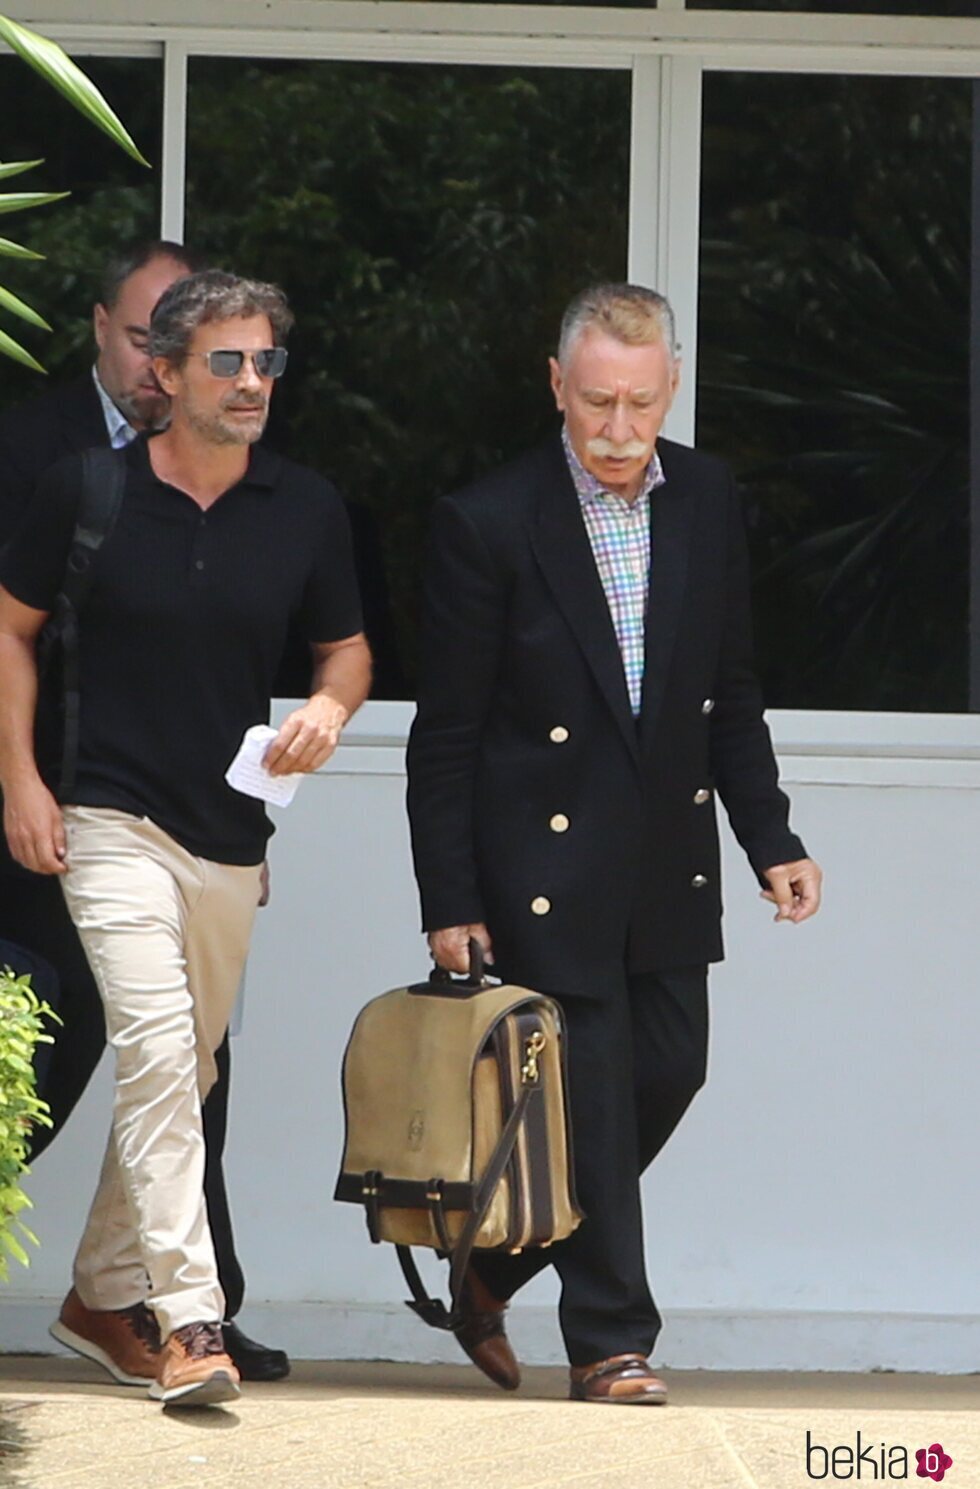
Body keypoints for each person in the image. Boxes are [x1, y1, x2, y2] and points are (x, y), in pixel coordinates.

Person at [406, 282, 822, 1406]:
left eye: (639, 404)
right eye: (596, 402)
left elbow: (726, 695)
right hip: (538, 870)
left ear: (669, 387)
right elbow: (442, 738)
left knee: (668, 1068)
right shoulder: (486, 520)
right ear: (556, 386)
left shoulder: (706, 500)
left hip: (661, 862)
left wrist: (767, 835)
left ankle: (489, 1266)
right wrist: (448, 895)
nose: (618, 429)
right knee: (586, 1092)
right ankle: (609, 1341)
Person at [0, 269, 371, 1405]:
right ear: (162, 372)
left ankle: (99, 1294)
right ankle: (190, 1321)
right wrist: (19, 779)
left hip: (229, 837)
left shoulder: (304, 508)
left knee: (185, 1064)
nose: (253, 380)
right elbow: (11, 634)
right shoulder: (88, 489)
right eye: (228, 360)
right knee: (162, 1052)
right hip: (108, 817)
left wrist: (328, 708)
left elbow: (344, 651)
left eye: (266, 361)